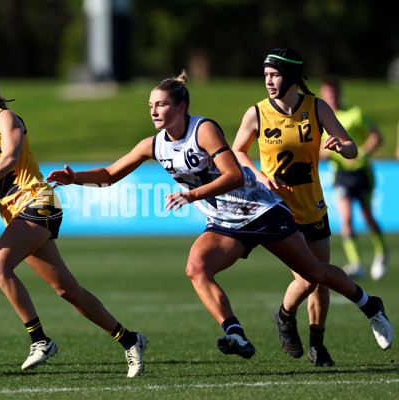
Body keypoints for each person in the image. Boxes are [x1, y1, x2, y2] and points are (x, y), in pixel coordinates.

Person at [47, 71, 393, 363]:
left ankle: (370, 305)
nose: (153, 110)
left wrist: (191, 194)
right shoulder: (153, 145)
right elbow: (110, 173)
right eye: (150, 105)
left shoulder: (204, 130)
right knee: (196, 267)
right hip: (226, 224)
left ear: (181, 107)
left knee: (313, 274)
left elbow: (236, 176)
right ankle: (236, 333)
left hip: (261, 212)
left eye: (161, 104)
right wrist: (74, 177)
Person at [0, 76, 147, 378]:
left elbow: (9, 158)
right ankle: (130, 338)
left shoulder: (5, 118)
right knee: (67, 290)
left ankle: (40, 340)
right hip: (15, 215)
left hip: (39, 201)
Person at [232, 47, 356, 367]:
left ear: (290, 76)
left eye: (274, 75)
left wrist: (341, 146)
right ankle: (285, 316)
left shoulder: (317, 107)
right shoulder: (256, 113)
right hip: (279, 211)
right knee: (308, 278)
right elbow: (237, 153)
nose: (269, 82)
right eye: (265, 76)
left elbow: (352, 148)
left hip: (313, 206)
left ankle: (317, 342)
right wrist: (259, 176)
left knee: (321, 280)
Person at [319, 76, 389, 280]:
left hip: (361, 173)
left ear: (340, 93)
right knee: (346, 219)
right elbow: (319, 150)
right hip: (340, 174)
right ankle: (356, 264)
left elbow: (376, 136)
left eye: (334, 92)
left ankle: (382, 252)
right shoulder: (321, 118)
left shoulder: (355, 114)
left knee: (368, 217)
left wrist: (362, 152)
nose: (331, 97)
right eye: (327, 93)